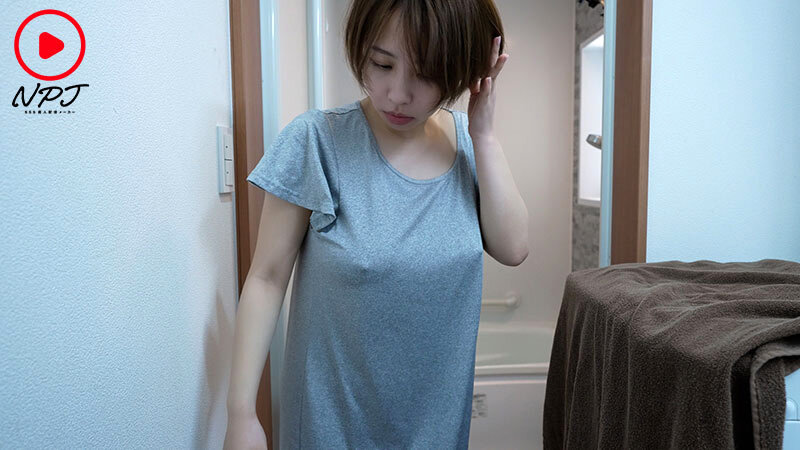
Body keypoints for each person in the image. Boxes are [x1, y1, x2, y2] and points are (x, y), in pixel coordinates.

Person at [225, 0, 526, 448]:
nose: (397, 93)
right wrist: (241, 413)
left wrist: (484, 134)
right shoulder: (318, 141)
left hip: (436, 426)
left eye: (426, 74)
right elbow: (267, 278)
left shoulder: (468, 145)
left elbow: (513, 248)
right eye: (381, 64)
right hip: (334, 426)